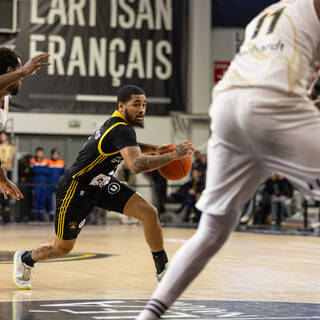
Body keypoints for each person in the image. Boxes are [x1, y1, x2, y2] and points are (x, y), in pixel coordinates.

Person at [136, 0, 320, 318]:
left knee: (212, 231)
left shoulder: (267, 15)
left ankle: (149, 314)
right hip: (272, 103)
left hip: (226, 107)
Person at [13, 85, 194, 289]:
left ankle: (163, 269)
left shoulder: (118, 124)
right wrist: (172, 155)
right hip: (76, 189)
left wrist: (153, 148)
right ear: (121, 105)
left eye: (144, 105)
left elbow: (125, 144)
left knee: (149, 212)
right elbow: (135, 166)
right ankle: (26, 259)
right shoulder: (122, 129)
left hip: (101, 183)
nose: (142, 109)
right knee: (61, 248)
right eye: (136, 105)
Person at [0, 48, 49, 200]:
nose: (22, 79)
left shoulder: (5, 102)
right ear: (10, 70)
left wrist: (2, 178)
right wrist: (22, 72)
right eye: (20, 72)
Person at [30, 147, 49, 221]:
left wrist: (38, 168)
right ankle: (35, 216)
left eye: (41, 152)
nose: (39, 154)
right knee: (35, 199)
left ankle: (41, 216)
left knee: (42, 199)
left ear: (43, 153)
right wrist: (41, 169)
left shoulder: (46, 161)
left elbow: (47, 171)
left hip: (43, 183)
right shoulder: (32, 160)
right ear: (36, 153)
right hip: (36, 183)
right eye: (38, 152)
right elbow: (33, 171)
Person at [47, 148, 65, 221]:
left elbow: (63, 174)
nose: (55, 155)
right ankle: (51, 215)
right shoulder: (48, 162)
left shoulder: (61, 163)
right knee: (50, 200)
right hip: (49, 184)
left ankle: (59, 215)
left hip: (58, 184)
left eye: (57, 154)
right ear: (51, 155)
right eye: (54, 154)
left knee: (59, 200)